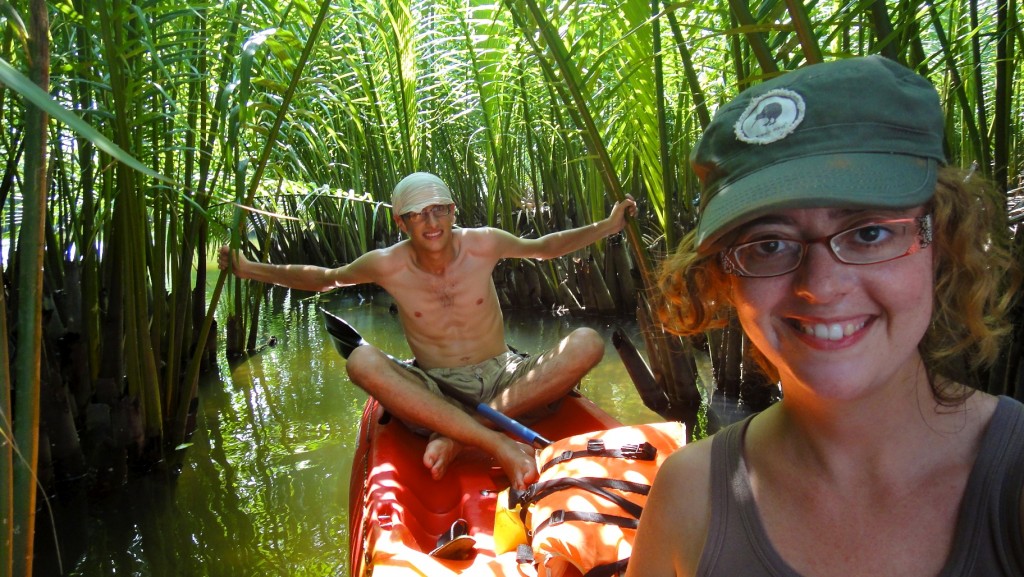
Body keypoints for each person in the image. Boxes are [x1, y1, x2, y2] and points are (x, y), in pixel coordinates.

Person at [626, 55, 1023, 576]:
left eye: (868, 232)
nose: (820, 287)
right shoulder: (689, 495)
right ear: (725, 278)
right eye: (769, 244)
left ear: (941, 241)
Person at [219, 172, 636, 490]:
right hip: (436, 388)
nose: (430, 222)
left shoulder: (484, 243)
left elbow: (546, 247)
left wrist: (609, 225)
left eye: (438, 210)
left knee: (586, 341)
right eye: (417, 215)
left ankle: (459, 436)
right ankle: (494, 440)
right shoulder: (387, 263)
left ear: (453, 211)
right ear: (402, 223)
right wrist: (246, 268)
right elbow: (325, 277)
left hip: (505, 375)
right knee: (361, 360)